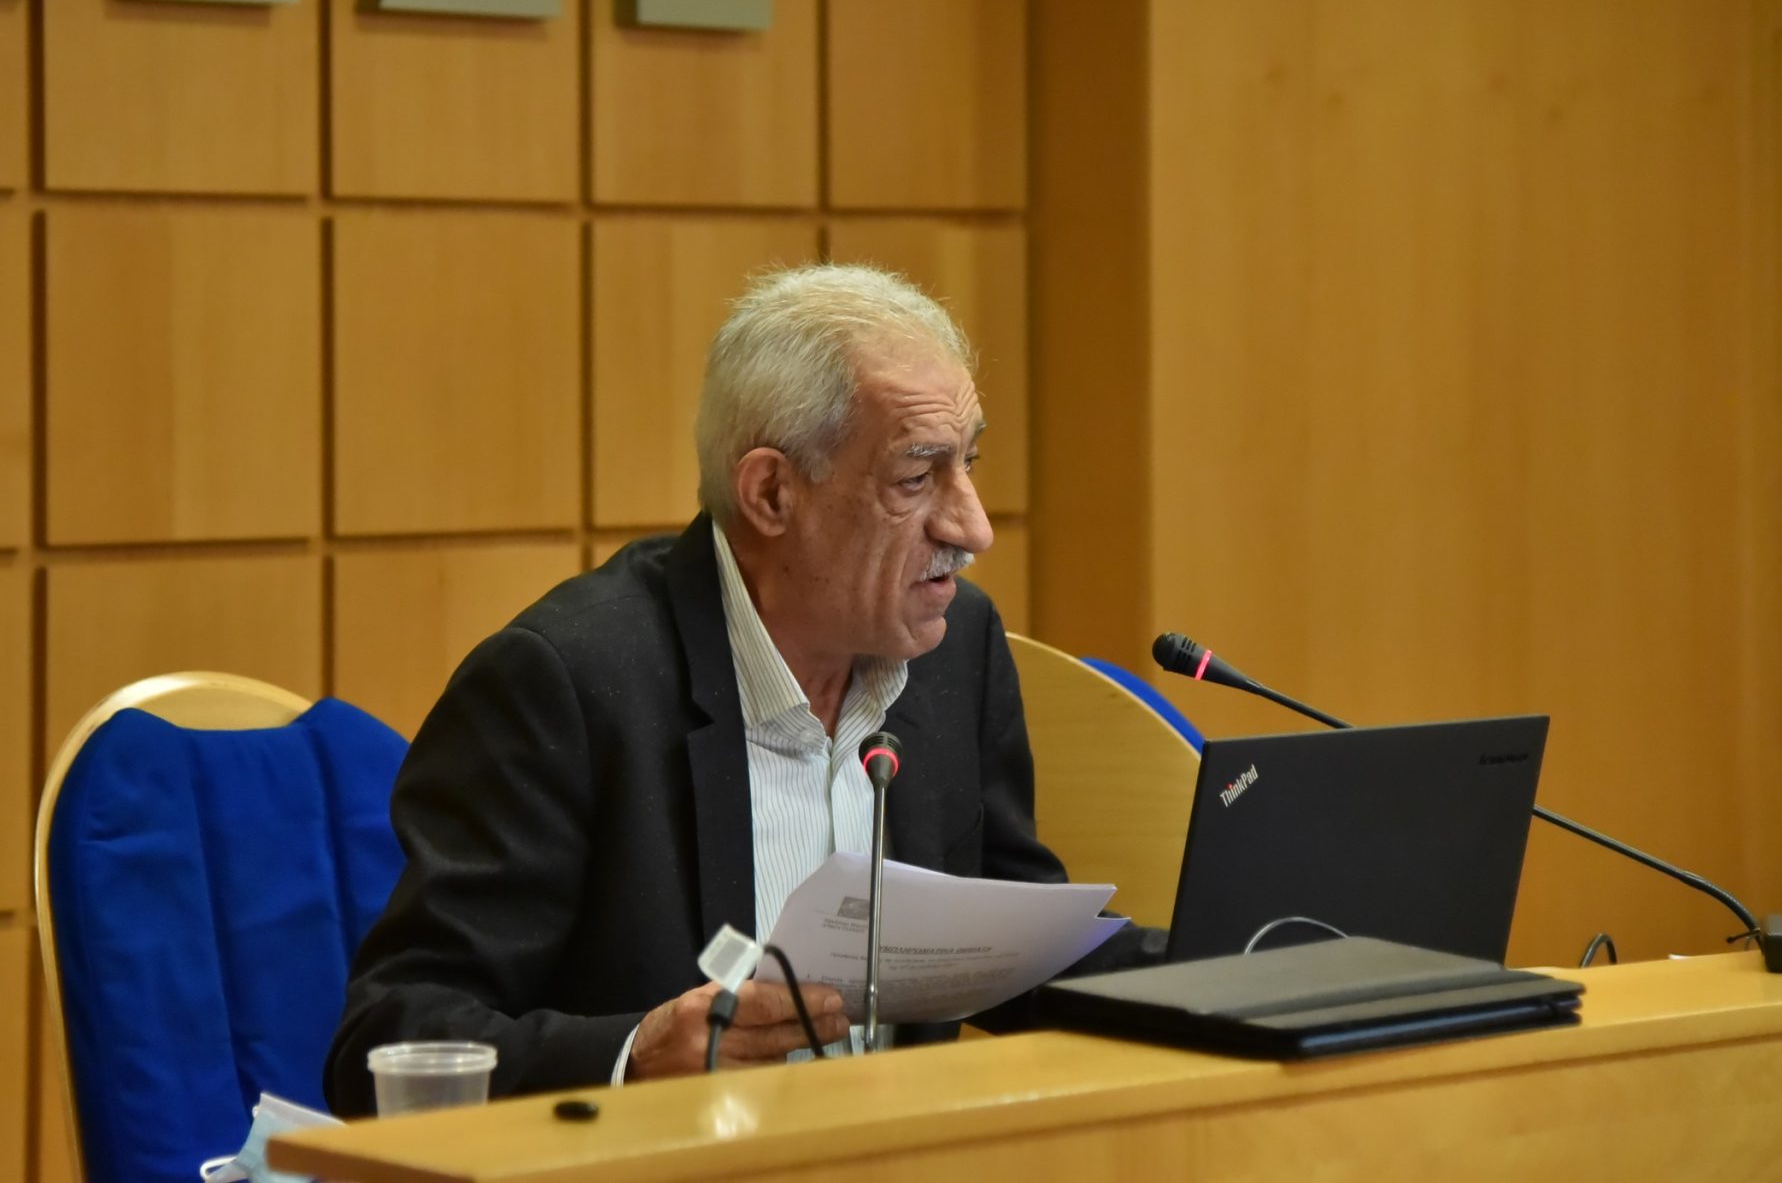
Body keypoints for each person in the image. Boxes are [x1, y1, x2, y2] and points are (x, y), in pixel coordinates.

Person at [325, 264, 1162, 1112]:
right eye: (917, 478)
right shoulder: (564, 684)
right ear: (771, 492)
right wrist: (632, 1056)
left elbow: (1021, 952)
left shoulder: (956, 647)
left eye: (968, 464)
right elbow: (386, 1041)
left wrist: (1232, 972)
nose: (973, 526)